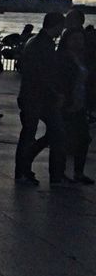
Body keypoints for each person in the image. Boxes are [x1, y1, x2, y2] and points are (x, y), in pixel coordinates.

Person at [15, 11, 66, 185]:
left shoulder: (33, 42)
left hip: (31, 95)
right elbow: (44, 74)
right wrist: (55, 93)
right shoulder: (46, 45)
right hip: (38, 97)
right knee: (51, 132)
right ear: (57, 25)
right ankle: (25, 165)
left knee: (29, 133)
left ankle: (22, 169)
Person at [58, 28, 92, 185]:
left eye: (80, 39)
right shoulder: (63, 58)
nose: (78, 42)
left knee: (84, 138)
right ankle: (60, 172)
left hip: (80, 102)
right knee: (64, 139)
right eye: (74, 39)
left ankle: (78, 172)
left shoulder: (83, 58)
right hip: (67, 103)